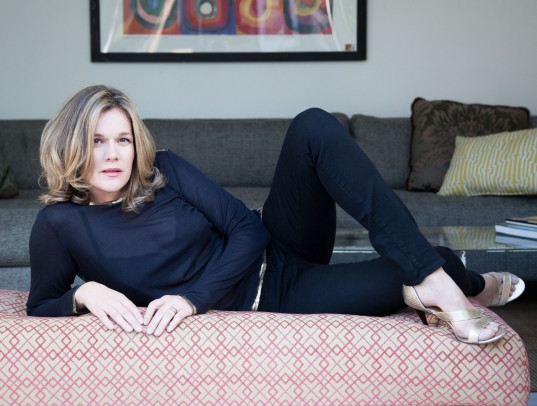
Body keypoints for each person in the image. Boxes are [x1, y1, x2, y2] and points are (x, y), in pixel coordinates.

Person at [27, 85, 524, 345]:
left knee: (312, 125)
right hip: (276, 296)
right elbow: (41, 303)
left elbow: (247, 228)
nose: (113, 154)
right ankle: (469, 284)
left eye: (123, 139)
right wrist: (85, 293)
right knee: (434, 260)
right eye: (97, 141)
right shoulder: (59, 225)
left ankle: (440, 282)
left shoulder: (166, 169)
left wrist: (191, 299)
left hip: (279, 241)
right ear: (72, 144)